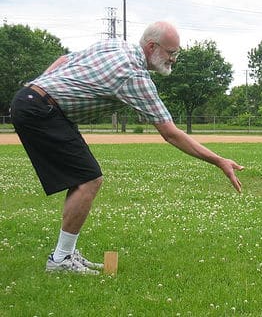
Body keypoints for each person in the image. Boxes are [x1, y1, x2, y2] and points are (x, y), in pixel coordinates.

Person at [9, 21, 244, 275]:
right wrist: (219, 160)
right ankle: (60, 260)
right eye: (171, 52)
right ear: (152, 47)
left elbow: (64, 59)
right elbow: (170, 133)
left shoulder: (116, 46)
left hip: (36, 101)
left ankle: (64, 255)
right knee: (89, 180)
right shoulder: (134, 76)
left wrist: (36, 86)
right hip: (42, 110)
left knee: (84, 179)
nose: (174, 59)